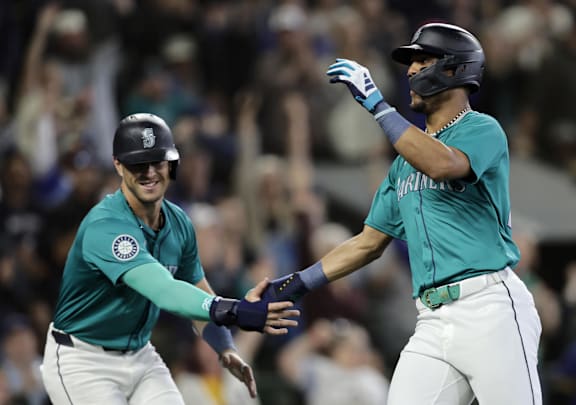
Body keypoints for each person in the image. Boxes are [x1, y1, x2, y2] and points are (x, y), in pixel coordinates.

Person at [261, 23, 543, 404]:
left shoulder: (483, 129)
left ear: (455, 69)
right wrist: (296, 283)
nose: (411, 70)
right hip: (432, 318)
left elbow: (443, 164)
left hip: (489, 308)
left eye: (422, 59)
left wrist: (378, 106)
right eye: (410, 62)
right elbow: (368, 243)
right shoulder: (403, 166)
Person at [39, 113, 300, 405]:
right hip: (84, 359)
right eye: (138, 163)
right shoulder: (107, 225)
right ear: (118, 165)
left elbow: (197, 289)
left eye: (158, 161)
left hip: (139, 354)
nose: (150, 172)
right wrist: (238, 310)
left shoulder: (179, 222)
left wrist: (225, 346)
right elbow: (165, 291)